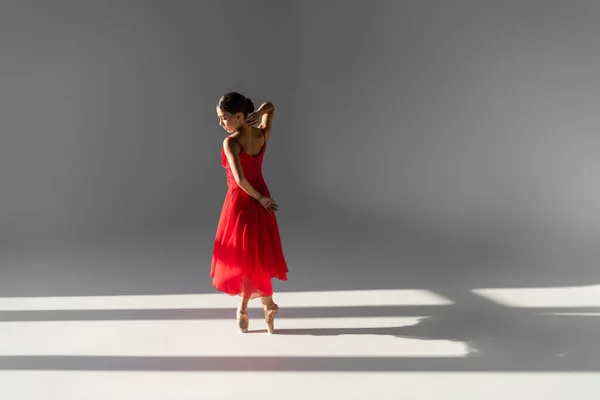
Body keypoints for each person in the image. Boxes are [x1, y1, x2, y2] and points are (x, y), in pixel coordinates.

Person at [210, 92, 288, 334]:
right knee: (257, 255)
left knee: (245, 257)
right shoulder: (261, 134)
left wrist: (261, 199)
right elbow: (271, 107)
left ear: (239, 116)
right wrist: (262, 111)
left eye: (224, 118)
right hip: (261, 196)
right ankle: (266, 306)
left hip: (243, 202)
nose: (221, 123)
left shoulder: (231, 142)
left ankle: (245, 308)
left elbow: (240, 179)